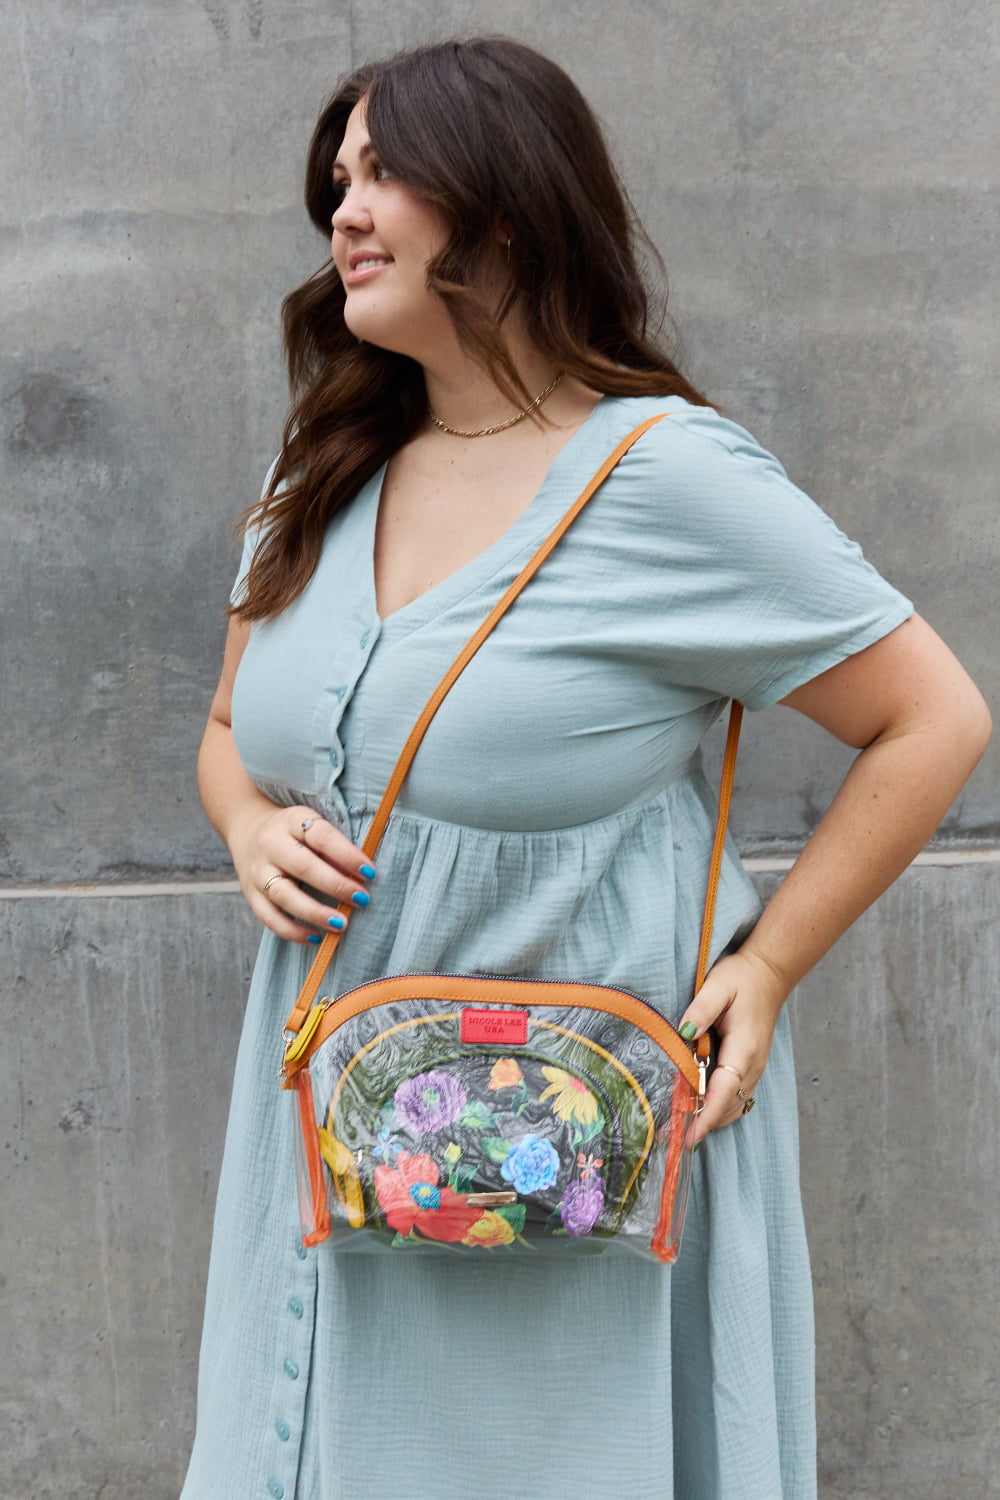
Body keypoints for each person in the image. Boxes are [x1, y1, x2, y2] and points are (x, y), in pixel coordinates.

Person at [183, 36, 990, 1500]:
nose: (343, 211)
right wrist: (245, 826)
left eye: (384, 173)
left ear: (503, 206)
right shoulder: (320, 472)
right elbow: (235, 730)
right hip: (321, 1135)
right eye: (337, 180)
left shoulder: (664, 475)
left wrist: (770, 965)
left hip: (568, 1160)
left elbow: (933, 717)